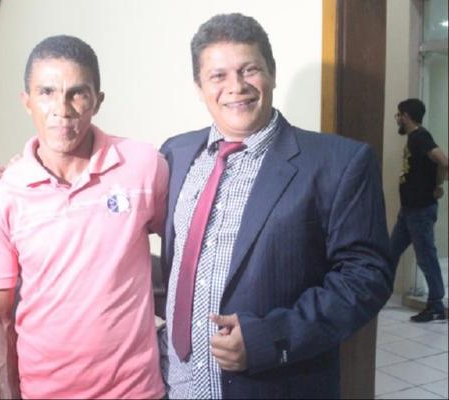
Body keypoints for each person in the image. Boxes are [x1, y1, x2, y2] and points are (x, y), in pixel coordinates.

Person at [158, 14, 393, 399]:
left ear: (272, 73)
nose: (236, 87)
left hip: (275, 385)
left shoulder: (338, 163)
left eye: (249, 70)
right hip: (178, 384)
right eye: (218, 76)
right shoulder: (175, 153)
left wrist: (272, 338)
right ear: (199, 87)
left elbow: (367, 277)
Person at [0, 35, 167, 399]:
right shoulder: (1, 196)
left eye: (77, 93)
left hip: (137, 391)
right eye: (46, 92)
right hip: (45, 391)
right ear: (27, 101)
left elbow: (190, 244)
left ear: (97, 101)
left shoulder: (144, 166)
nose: (61, 109)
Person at [390, 98, 448, 323]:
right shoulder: (415, 138)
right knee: (391, 252)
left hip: (420, 210)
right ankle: (378, 293)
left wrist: (438, 185)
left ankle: (436, 306)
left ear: (406, 116)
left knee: (426, 258)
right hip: (409, 210)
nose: (397, 119)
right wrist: (437, 184)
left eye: (398, 115)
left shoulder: (420, 137)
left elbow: (443, 161)